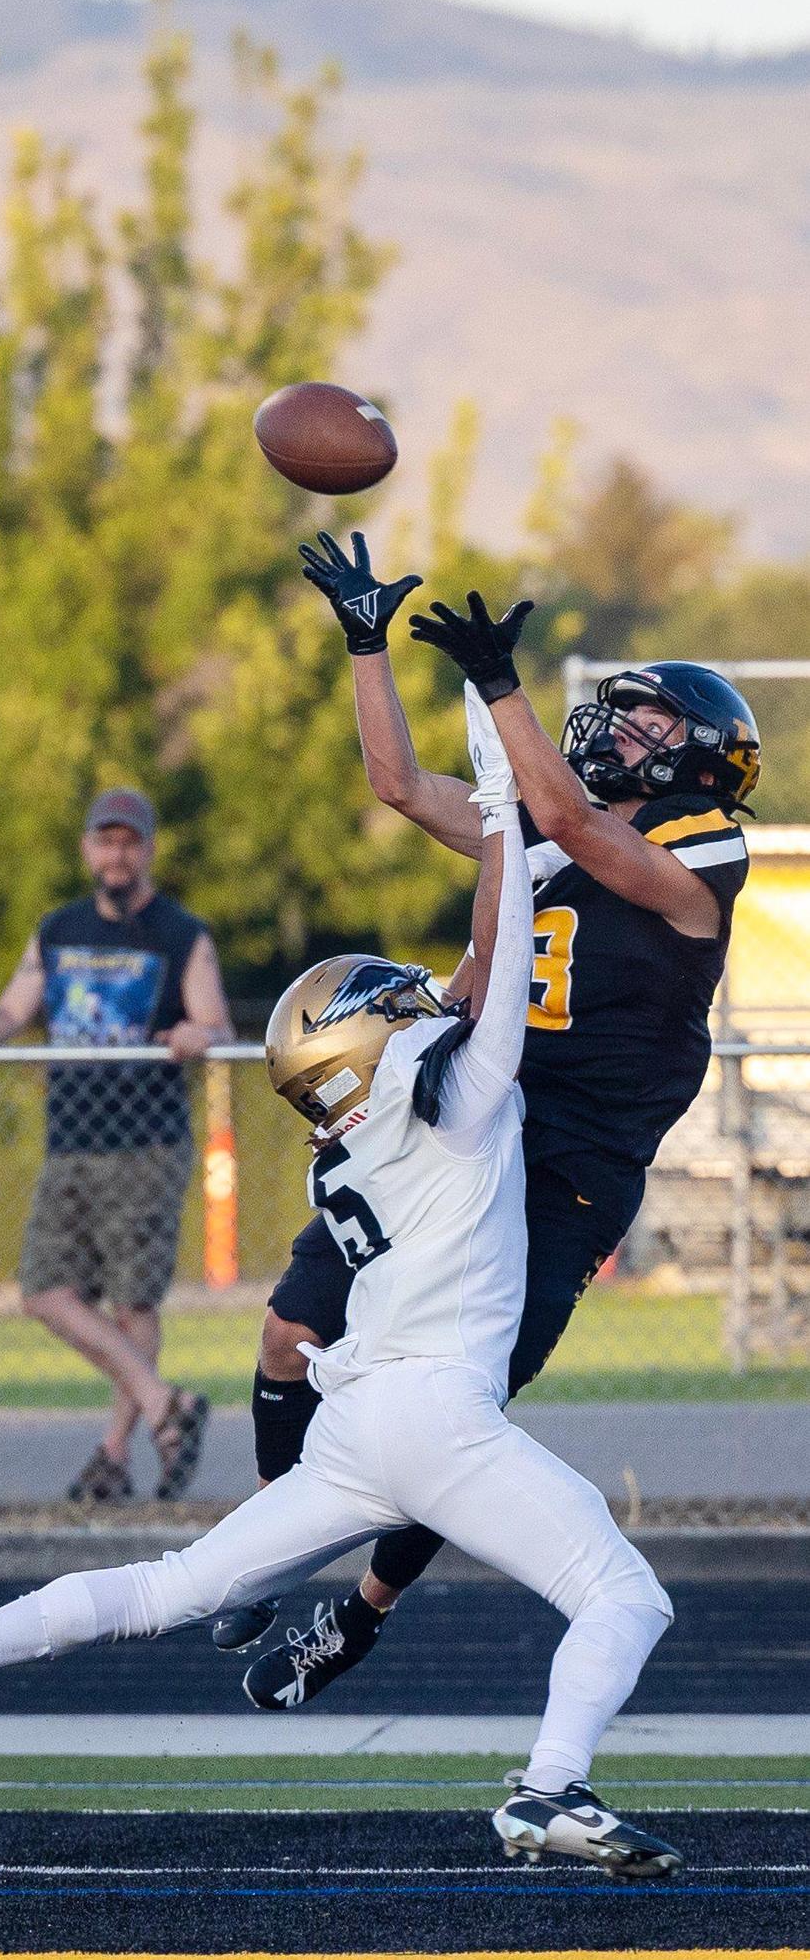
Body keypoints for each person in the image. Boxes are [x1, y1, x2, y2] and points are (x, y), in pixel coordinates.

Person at [0, 690, 682, 1880]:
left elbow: (470, 978)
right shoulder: (473, 1114)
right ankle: (549, 1786)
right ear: (374, 1040)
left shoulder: (350, 1146)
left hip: (357, 1425)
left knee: (164, 1586)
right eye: (393, 1000)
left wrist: (489, 808)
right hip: (433, 1416)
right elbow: (510, 943)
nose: (418, 995)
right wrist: (493, 805)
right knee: (625, 1598)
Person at [229, 531, 759, 1701]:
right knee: (286, 1335)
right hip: (460, 1123)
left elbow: (575, 828)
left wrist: (502, 686)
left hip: (567, 1163)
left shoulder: (695, 859)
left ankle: (358, 1616)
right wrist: (368, 643)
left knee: (454, 1415)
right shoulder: (545, 820)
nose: (623, 732)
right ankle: (265, 1545)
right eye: (622, 714)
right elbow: (399, 785)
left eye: (653, 727)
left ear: (706, 768)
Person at [0, 786, 233, 1504]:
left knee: (134, 1301)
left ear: (148, 848)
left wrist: (199, 1034)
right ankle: (165, 1405)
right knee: (44, 1290)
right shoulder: (56, 930)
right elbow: (11, 1009)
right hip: (70, 1139)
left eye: (129, 841)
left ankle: (115, 1453)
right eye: (106, 839)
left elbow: (216, 1024)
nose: (117, 853)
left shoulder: (182, 934)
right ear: (87, 848)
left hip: (147, 1142)